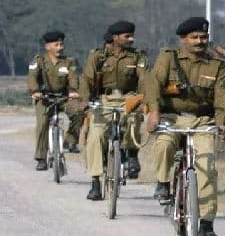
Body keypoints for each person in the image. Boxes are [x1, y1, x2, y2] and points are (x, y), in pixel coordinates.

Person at [142, 17, 225, 236]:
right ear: (183, 39)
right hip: (172, 118)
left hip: (202, 122)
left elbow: (222, 99)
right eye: (195, 37)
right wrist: (154, 112)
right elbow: (153, 85)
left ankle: (207, 224)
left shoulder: (217, 66)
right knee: (163, 145)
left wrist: (222, 122)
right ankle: (162, 184)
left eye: (204, 37)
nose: (200, 41)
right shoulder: (168, 58)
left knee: (207, 165)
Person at [81, 21, 148, 199]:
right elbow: (87, 78)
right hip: (105, 99)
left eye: (132, 35)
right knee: (95, 136)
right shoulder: (97, 56)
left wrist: (143, 99)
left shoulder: (137, 56)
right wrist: (87, 100)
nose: (131, 39)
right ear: (115, 37)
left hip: (129, 97)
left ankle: (132, 154)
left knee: (134, 119)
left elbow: (144, 79)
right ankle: (95, 182)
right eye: (127, 36)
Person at [26, 30, 80, 168]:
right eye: (56, 45)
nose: (60, 48)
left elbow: (73, 77)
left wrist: (73, 91)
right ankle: (41, 158)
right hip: (44, 98)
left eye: (61, 44)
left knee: (79, 112)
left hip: (64, 97)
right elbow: (32, 77)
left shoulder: (69, 62)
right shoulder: (39, 61)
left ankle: (69, 140)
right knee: (42, 123)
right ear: (48, 47)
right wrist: (35, 91)